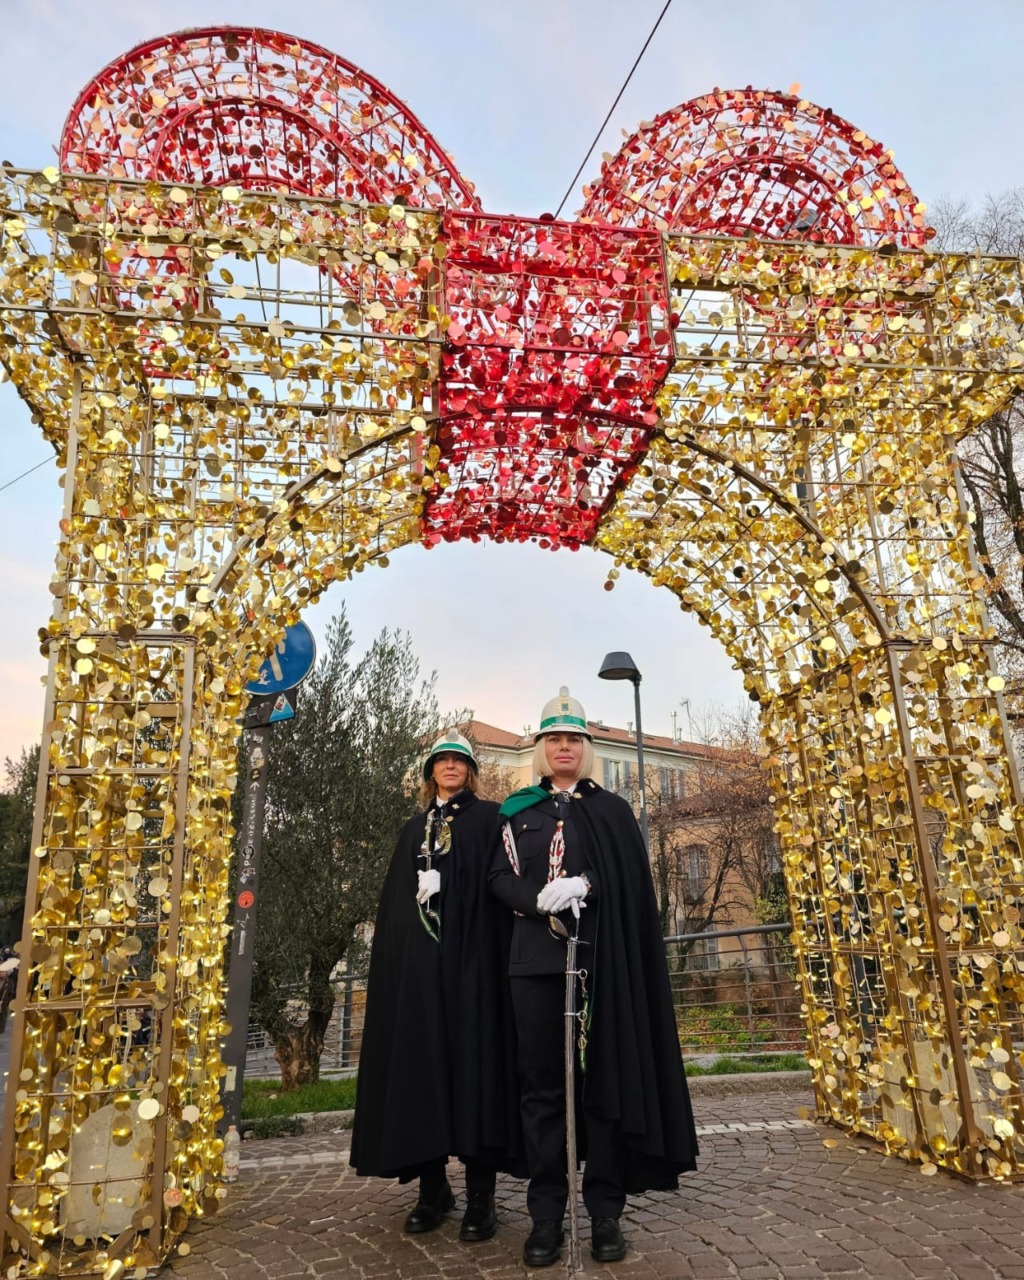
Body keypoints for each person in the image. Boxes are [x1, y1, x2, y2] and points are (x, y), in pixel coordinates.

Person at [489, 687, 699, 1267]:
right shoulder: (517, 811)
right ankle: (546, 1215)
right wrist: (538, 899)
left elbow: (629, 882)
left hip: (600, 965)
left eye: (573, 740)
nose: (563, 748)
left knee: (601, 1085)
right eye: (554, 739)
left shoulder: (611, 812)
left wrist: (588, 885)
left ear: (585, 747)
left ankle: (605, 1212)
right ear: (540, 747)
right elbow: (496, 879)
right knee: (543, 1091)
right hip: (534, 967)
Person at [350, 730, 520, 1242]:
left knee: (475, 1078)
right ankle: (432, 1192)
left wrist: (455, 885)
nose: (450, 767)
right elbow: (396, 906)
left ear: (471, 770)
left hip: (474, 974)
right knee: (422, 1077)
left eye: (459, 760)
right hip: (421, 980)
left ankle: (481, 1199)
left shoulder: (491, 819)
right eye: (442, 760)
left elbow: (499, 883)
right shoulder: (412, 829)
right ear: (430, 771)